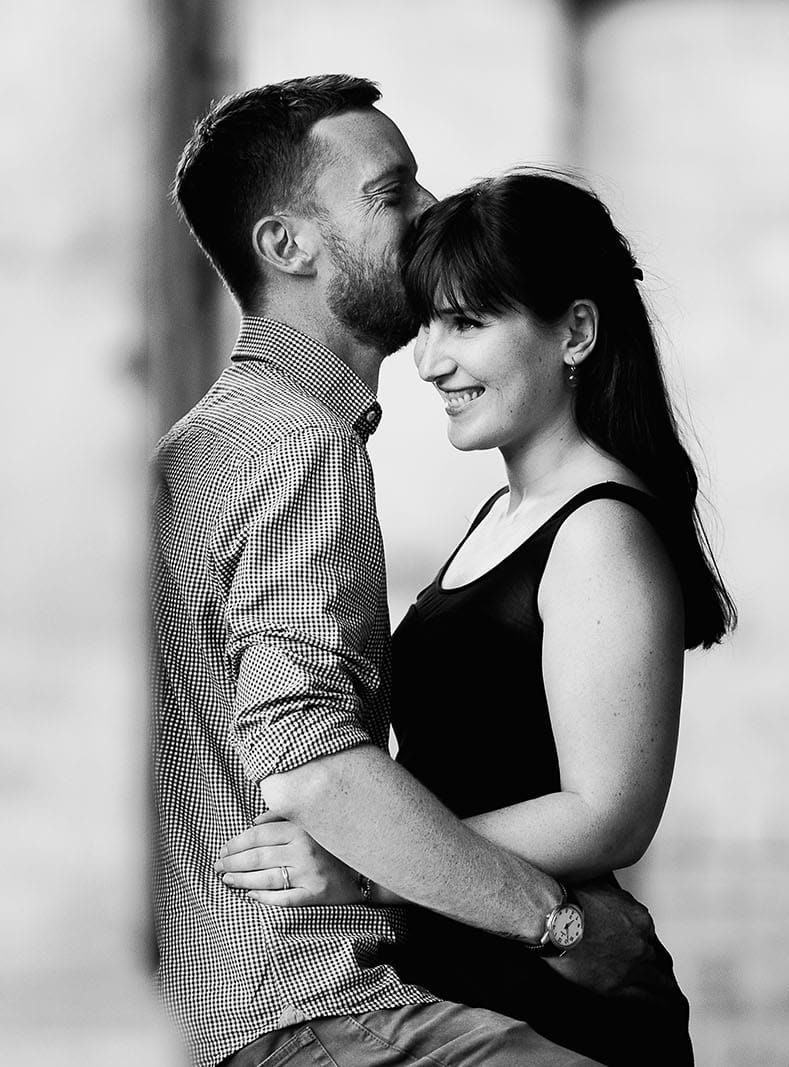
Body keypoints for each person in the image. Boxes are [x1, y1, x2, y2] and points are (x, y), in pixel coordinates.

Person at [152, 74, 664, 1067]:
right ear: (286, 246)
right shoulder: (300, 446)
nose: (429, 211)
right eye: (392, 194)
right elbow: (310, 760)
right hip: (315, 1005)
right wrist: (556, 922)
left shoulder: (205, 442)